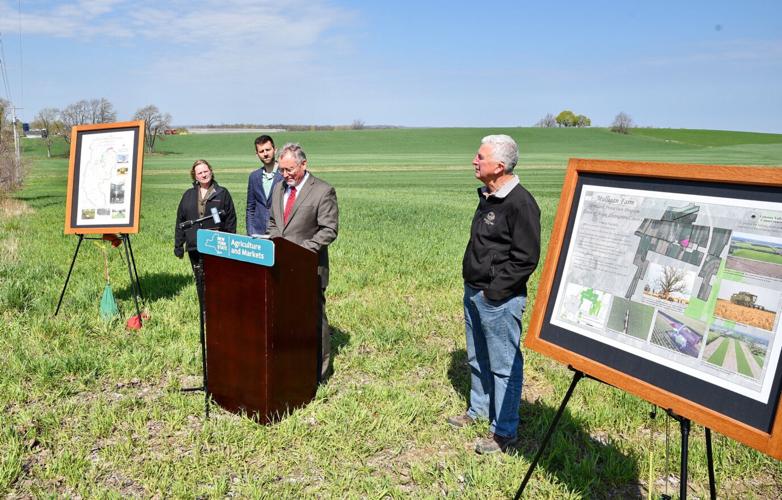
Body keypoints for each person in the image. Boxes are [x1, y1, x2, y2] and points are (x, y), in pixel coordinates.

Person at [448, 135, 541, 454]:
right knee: (477, 357)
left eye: (480, 157)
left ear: (499, 166)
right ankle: (478, 410)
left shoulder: (521, 203)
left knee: (504, 365)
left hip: (499, 299)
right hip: (474, 290)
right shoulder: (488, 195)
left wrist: (494, 292)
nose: (474, 161)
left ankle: (504, 431)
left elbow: (525, 258)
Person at [267, 143, 338, 382]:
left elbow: (329, 230)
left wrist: (300, 251)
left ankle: (320, 373)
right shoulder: (278, 188)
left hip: (309, 267)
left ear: (304, 164)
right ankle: (292, 365)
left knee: (314, 320)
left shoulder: (323, 191)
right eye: (282, 170)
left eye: (289, 170)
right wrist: (278, 245)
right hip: (280, 266)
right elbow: (273, 222)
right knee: (287, 319)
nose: (285, 175)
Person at [174, 159, 237, 304]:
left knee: (217, 279)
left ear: (211, 171)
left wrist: (229, 244)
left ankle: (218, 306)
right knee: (199, 279)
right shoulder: (188, 195)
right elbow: (180, 221)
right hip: (194, 245)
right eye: (200, 173)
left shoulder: (222, 193)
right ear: (195, 176)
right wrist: (178, 245)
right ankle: (204, 308)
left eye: (205, 171)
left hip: (216, 245)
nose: (203, 175)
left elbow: (231, 220)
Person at [246, 135, 283, 236]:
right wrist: (251, 232)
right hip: (258, 233)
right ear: (257, 154)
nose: (265, 154)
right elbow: (250, 207)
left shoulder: (285, 174)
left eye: (268, 150)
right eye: (261, 151)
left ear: (275, 150)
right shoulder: (254, 177)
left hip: (280, 232)